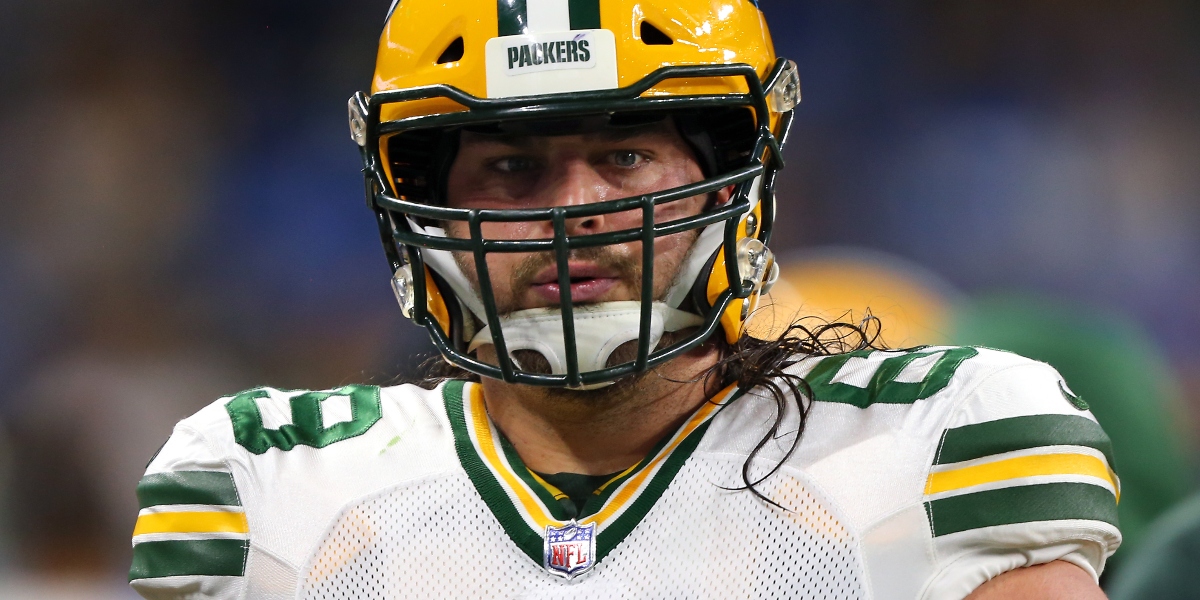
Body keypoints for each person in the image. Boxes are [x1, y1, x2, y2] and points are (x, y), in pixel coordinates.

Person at [127, 1, 1119, 598]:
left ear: (737, 178)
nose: (575, 211)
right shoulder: (263, 480)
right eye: (513, 167)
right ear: (421, 203)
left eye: (626, 155)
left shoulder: (940, 437)